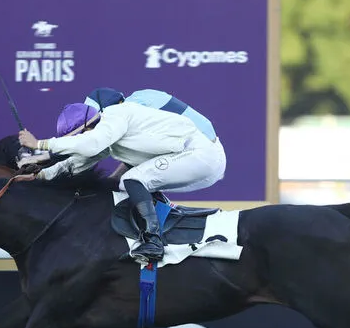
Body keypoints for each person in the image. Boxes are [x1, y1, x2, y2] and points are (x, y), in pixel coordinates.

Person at [17, 88, 226, 263]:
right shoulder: (107, 133)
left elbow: (90, 145)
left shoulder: (116, 114)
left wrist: (40, 144)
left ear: (89, 123)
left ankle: (153, 241)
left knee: (132, 179)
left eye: (80, 136)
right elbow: (78, 161)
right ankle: (165, 227)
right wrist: (42, 175)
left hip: (200, 154)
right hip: (197, 158)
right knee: (132, 183)